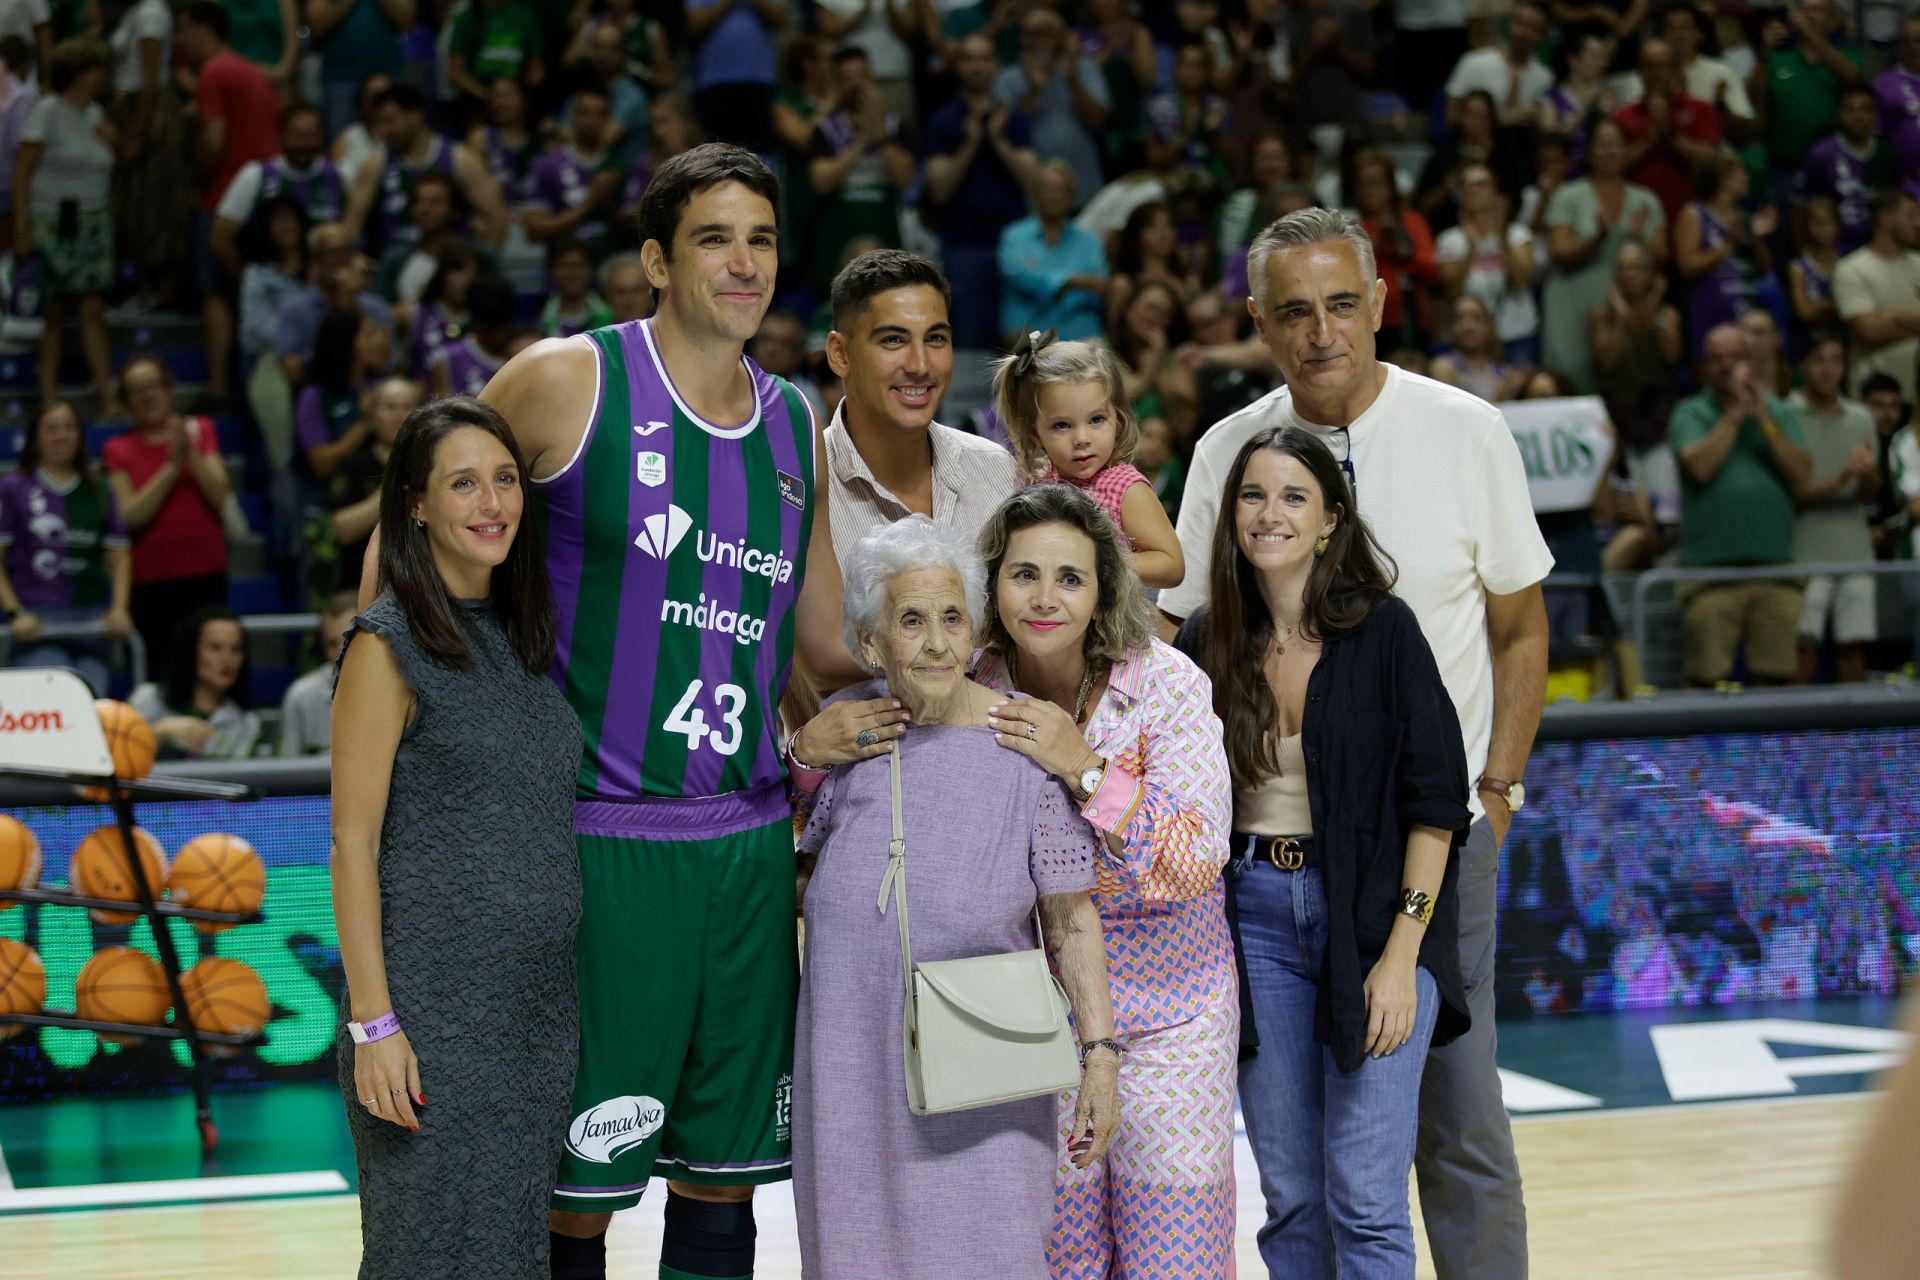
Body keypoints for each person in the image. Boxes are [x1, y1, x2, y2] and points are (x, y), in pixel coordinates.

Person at [358, 143, 855, 1280]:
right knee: (577, 1179)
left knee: (722, 1173)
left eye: (762, 239)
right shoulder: (566, 380)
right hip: (597, 839)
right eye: (714, 238)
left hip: (746, 840)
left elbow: (820, 645)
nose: (743, 262)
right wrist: (392, 699)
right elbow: (415, 522)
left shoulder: (794, 423)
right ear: (653, 260)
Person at [1160, 207, 1551, 1280]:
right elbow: (1173, 641)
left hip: (1428, 847)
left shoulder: (1467, 428)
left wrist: (1498, 793)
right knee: (1302, 1173)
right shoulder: (1222, 452)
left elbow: (1521, 629)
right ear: (1259, 322)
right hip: (1265, 872)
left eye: (1341, 303)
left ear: (1380, 301)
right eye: (1294, 311)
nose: (1321, 330)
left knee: (1458, 1126)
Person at [787, 514, 1118, 1279]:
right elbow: (780, 867)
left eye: (951, 618)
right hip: (850, 1071)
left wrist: (1099, 1056)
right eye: (911, 620)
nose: (937, 642)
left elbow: (1071, 921)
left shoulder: (1020, 746)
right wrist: (803, 751)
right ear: (872, 642)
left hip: (986, 1079)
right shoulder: (853, 739)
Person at [1182, 424, 1471, 1276]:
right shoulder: (1208, 639)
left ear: (1331, 520)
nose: (1269, 513)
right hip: (1254, 924)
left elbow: (1435, 808)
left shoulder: (1385, 634)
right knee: (1294, 1200)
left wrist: (1402, 952)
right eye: (1252, 495)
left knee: (1368, 1200)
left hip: (1379, 925)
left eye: (1293, 496)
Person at [331, 396, 581, 1276]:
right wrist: (375, 1025)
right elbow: (352, 847)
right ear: (416, 506)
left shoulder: (523, 638)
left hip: (537, 1025)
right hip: (430, 1027)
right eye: (463, 483)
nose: (491, 502)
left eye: (505, 479)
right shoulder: (384, 644)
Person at [966, 484, 1233, 1279]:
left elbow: (1193, 859)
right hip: (1027, 1015)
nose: (1045, 598)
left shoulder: (1168, 684)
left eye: (1070, 578)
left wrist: (1084, 769)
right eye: (1024, 575)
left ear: (1104, 589)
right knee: (1060, 1258)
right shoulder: (968, 686)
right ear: (991, 581)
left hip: (1173, 1014)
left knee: (1171, 1259)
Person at [819, 249, 1021, 559]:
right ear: (840, 354)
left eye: (935, 338)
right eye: (893, 340)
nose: (920, 365)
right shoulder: (802, 486)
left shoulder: (997, 470)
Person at [1667, 323, 1812, 687]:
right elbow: (1700, 467)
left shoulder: (1778, 412)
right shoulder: (1690, 412)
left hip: (1774, 572)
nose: (1726, 366)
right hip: (1709, 577)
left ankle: (1777, 747)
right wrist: (1734, 413)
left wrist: (1764, 421)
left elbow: (1801, 474)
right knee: (1706, 678)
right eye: (1716, 358)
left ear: (1752, 360)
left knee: (1777, 679)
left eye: (1735, 356)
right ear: (1703, 366)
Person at [991, 332, 1183, 588]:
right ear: (1036, 434)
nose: (1082, 439)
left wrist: (1093, 563)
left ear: (1117, 419)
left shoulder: (1125, 488)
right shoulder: (1032, 484)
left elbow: (1171, 565)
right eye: (1062, 425)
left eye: (1096, 420)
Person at [177, 1, 280, 409]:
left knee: (214, 295)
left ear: (206, 29)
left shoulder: (214, 71)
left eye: (186, 30)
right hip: (261, 194)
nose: (182, 41)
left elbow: (214, 138)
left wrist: (197, 178)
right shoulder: (249, 70)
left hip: (227, 193)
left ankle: (219, 388)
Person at [102, 356, 232, 675]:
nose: (147, 396)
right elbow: (130, 514)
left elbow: (221, 495)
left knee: (209, 666)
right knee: (159, 667)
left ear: (168, 388)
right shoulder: (117, 448)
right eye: (136, 390)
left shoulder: (199, 430)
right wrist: (171, 467)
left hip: (205, 571)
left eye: (153, 386)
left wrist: (193, 455)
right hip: (151, 579)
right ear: (126, 400)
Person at [12, 36, 120, 416]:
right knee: (53, 312)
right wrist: (21, 228)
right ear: (77, 73)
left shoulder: (95, 115)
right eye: (96, 70)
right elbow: (23, 171)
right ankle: (49, 398)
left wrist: (116, 141)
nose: (102, 78)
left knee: (93, 312)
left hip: (95, 222)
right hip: (52, 222)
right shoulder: (47, 111)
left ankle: (108, 397)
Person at [0, 400, 132, 694]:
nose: (62, 435)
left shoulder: (99, 488)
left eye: (69, 427)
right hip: (38, 621)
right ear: (35, 438)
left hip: (91, 620)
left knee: (92, 698)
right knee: (53, 696)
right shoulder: (14, 487)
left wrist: (119, 609)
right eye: (51, 428)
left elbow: (119, 554)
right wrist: (15, 613)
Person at [923, 33, 1037, 349]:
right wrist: (971, 142)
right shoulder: (943, 122)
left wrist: (998, 141)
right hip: (964, 245)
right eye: (969, 58)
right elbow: (939, 190)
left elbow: (1032, 182)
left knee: (1020, 342)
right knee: (969, 339)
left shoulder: (1013, 119)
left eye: (984, 58)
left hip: (1017, 246)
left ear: (995, 65)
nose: (977, 66)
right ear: (959, 65)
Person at [1540, 116, 1667, 392]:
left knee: (1623, 385)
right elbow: (1559, 251)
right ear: (1589, 151)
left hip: (1622, 306)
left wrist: (1639, 236)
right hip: (1572, 300)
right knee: (1570, 383)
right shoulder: (1568, 196)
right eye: (1602, 145)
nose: (1610, 152)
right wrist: (1596, 239)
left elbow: (1662, 257)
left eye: (1617, 145)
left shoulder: (1646, 200)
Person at [1789, 331, 1879, 684]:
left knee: (1853, 648)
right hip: (1803, 551)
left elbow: (1869, 494)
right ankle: (1793, 737)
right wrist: (1841, 478)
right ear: (1803, 365)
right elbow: (1792, 494)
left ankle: (1855, 738)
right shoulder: (1786, 414)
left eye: (1836, 360)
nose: (1829, 370)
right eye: (1819, 360)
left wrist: (1867, 476)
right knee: (1803, 646)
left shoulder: (1860, 418)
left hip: (1854, 549)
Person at [342, 82, 504, 258]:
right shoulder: (375, 163)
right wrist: (354, 259)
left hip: (447, 269)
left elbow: (496, 217)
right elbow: (351, 225)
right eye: (380, 123)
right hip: (393, 269)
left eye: (391, 121)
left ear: (416, 115)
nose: (385, 130)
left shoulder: (461, 159)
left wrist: (483, 268)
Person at [210, 102, 346, 278]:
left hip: (325, 285)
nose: (305, 143)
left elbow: (349, 236)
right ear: (281, 135)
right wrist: (248, 283)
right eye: (298, 135)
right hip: (269, 283)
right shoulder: (255, 175)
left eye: (312, 135)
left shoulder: (340, 175)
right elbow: (219, 239)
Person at [1435, 162, 1538, 366]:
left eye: (1481, 184)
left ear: (1496, 193)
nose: (1473, 190)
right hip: (1470, 338)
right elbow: (1452, 291)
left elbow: (1522, 281)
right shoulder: (1449, 240)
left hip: (1516, 332)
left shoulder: (1517, 235)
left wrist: (1501, 238)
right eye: (1467, 185)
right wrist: (1471, 248)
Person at [1612, 36, 1722, 227]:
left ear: (1676, 69)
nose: (1657, 74)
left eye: (1664, 66)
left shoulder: (1700, 109)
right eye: (1650, 66)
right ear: (1640, 71)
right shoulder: (1623, 116)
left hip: (1691, 218)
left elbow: (1711, 162)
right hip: (1639, 220)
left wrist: (1670, 133)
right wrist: (1649, 140)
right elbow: (1612, 167)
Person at [1675, 149, 1774, 357]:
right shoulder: (1694, 214)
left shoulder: (1743, 218)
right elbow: (1687, 267)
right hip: (1709, 309)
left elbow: (1764, 270)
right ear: (1723, 177)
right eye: (1741, 172)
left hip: (1744, 308)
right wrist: (1728, 245)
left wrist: (1757, 238)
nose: (1746, 177)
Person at [129, 605, 261, 759]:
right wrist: (160, 733)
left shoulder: (247, 724)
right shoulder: (148, 699)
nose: (227, 659)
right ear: (191, 651)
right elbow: (118, 756)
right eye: (215, 647)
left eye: (236, 649)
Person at [998, 159, 1108, 343]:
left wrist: (1047, 282)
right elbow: (1020, 276)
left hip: (1082, 333)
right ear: (1035, 194)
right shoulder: (1014, 236)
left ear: (1071, 196)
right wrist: (1072, 282)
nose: (1054, 196)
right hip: (1029, 333)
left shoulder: (1089, 242)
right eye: (1047, 189)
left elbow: (1100, 287)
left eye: (1061, 190)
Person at [1834, 189, 1920, 406]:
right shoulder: (1852, 268)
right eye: (1911, 215)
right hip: (1875, 400)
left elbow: (1877, 325)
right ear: (1885, 218)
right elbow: (1867, 331)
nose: (1918, 223)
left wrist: (1891, 316)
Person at [1792, 84, 1897, 255]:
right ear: (1838, 114)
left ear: (1875, 114)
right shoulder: (1821, 154)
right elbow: (1799, 207)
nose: (1858, 116)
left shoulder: (1888, 154)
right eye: (1850, 110)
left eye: (1866, 109)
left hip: (1878, 252)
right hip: (1834, 252)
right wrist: (1806, 257)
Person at [297, 307, 392, 481]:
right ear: (346, 343)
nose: (380, 340)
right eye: (369, 334)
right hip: (331, 495)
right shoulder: (314, 397)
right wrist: (364, 423)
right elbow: (321, 465)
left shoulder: (383, 388)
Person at [277, 590, 356, 755]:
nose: (341, 652)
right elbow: (287, 770)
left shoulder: (395, 691)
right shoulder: (300, 695)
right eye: (332, 643)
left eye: (348, 640)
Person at [428, 272, 514, 398]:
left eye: (500, 325)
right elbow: (442, 417)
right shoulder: (446, 361)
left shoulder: (524, 355)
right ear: (476, 321)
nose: (498, 336)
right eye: (489, 328)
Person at [1428, 294, 1528, 403]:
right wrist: (1500, 394)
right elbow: (1447, 415)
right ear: (1451, 327)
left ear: (1488, 327)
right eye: (1460, 318)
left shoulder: (1502, 371)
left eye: (1477, 318)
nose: (1468, 326)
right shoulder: (1444, 367)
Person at [538, 237, 614, 338]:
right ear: (551, 272)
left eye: (579, 266)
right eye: (564, 266)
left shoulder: (612, 314)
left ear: (591, 270)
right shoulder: (537, 318)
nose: (572, 274)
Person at [1789, 195, 1842, 335]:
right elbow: (1805, 312)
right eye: (1817, 224)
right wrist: (1834, 306)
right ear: (1806, 227)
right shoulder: (1797, 267)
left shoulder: (1846, 264)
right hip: (1810, 339)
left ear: (1838, 226)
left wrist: (1819, 305)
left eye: (1829, 223)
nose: (1824, 229)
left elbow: (1851, 310)